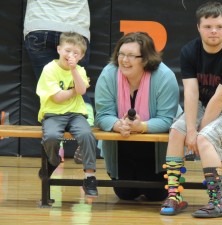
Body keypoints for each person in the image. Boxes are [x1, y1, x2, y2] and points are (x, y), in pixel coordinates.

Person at [159, 1, 222, 217]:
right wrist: (189, 130)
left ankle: (217, 202)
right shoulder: (189, 51)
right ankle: (174, 195)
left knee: (204, 138)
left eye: (219, 27)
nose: (214, 31)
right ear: (198, 27)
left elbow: (220, 99)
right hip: (206, 104)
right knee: (177, 131)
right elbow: (192, 94)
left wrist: (197, 133)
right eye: (208, 26)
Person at [94, 32, 182, 201]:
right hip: (122, 141)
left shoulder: (164, 76)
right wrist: (117, 125)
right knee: (125, 194)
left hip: (156, 146)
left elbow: (166, 119)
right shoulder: (108, 74)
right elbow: (103, 115)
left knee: (156, 195)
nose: (124, 60)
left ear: (146, 59)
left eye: (132, 56)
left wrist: (142, 127)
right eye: (121, 54)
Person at [23, 0, 97, 161]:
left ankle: (57, 148)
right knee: (70, 86)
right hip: (76, 22)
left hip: (40, 21)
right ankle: (86, 130)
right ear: (59, 49)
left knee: (52, 88)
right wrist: (75, 90)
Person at [36, 32, 98, 198]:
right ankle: (53, 161)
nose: (71, 55)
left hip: (76, 114)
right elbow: (57, 98)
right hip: (53, 114)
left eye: (76, 53)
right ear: (59, 49)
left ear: (81, 56)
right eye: (68, 50)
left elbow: (82, 90)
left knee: (87, 135)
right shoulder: (49, 69)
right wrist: (73, 92)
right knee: (50, 137)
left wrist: (73, 71)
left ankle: (90, 177)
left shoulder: (80, 70)